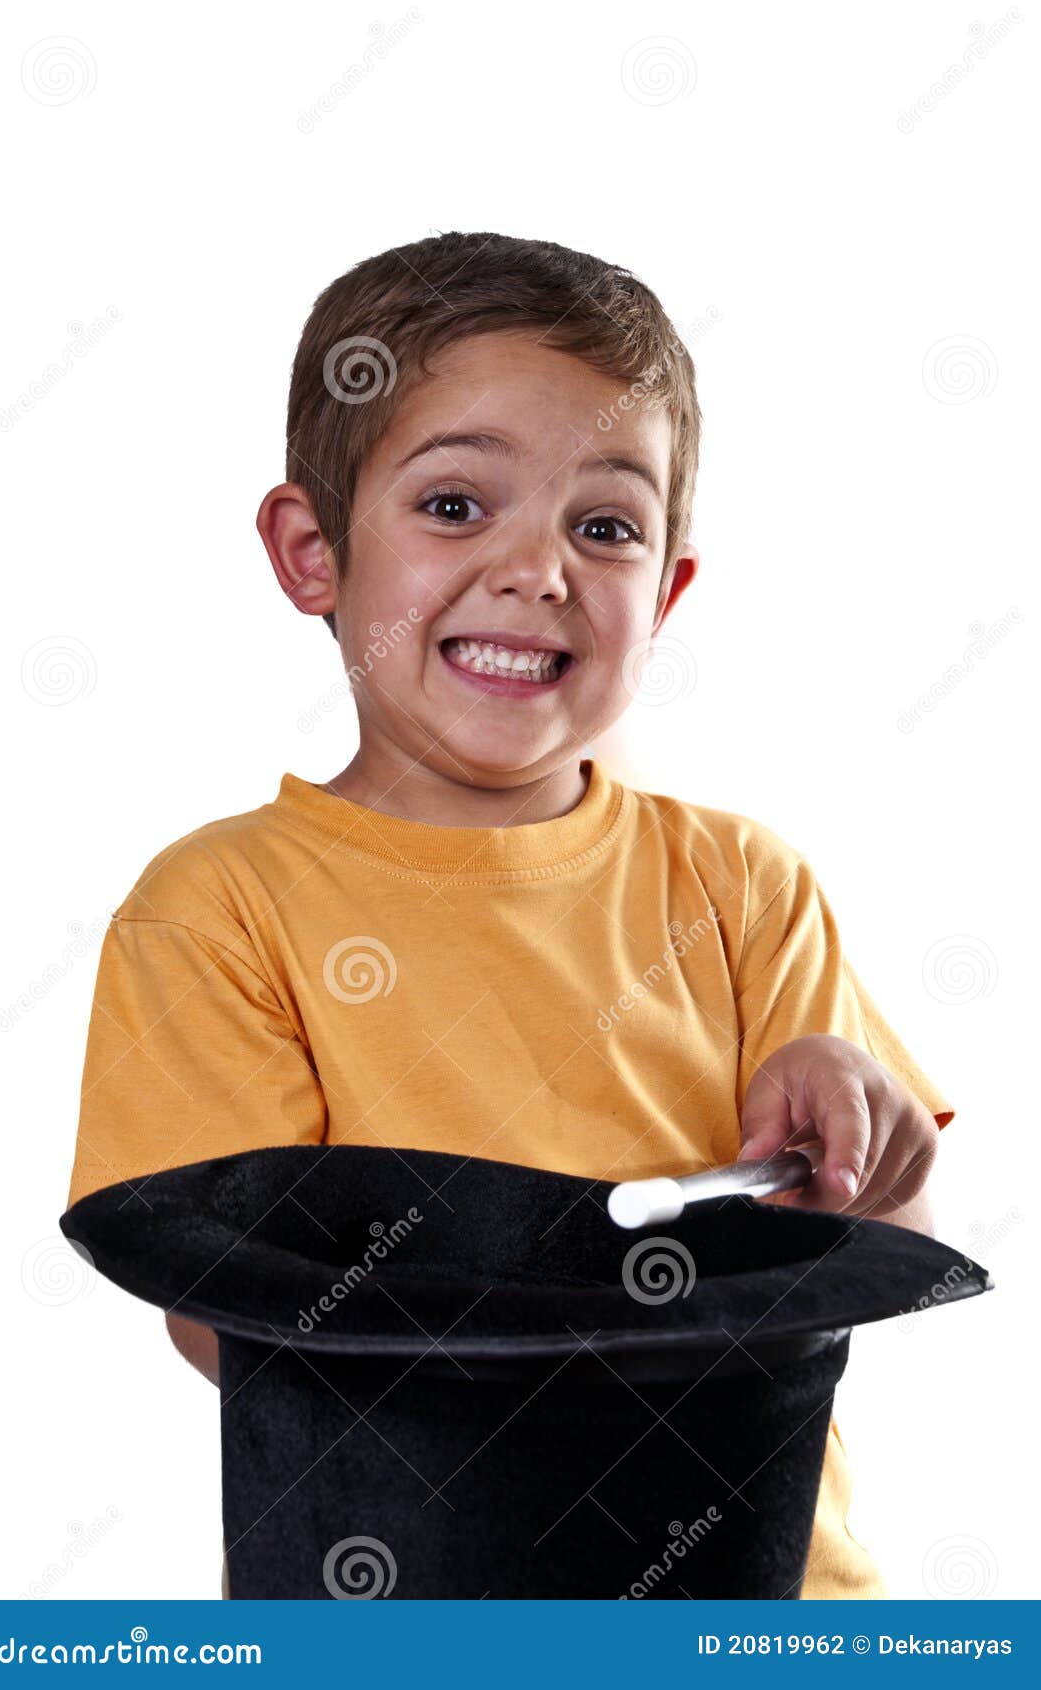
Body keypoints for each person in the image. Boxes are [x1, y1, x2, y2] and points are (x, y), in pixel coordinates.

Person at [65, 231, 952, 1600]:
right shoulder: (218, 909)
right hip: (408, 1589)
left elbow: (884, 1239)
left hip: (762, 1596)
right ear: (314, 552)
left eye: (604, 527)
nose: (537, 568)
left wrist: (863, 1123)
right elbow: (223, 1308)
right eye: (456, 505)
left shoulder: (741, 886)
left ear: (664, 592)